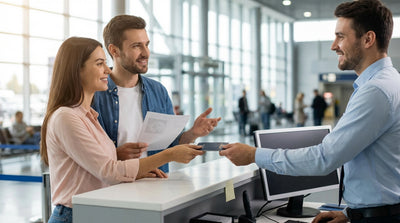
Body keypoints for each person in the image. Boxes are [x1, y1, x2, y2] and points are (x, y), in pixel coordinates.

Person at [220, 0, 400, 222]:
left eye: (341, 36)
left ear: (368, 39)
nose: (334, 45)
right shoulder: (389, 82)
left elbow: (324, 158)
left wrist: (253, 155)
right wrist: (350, 214)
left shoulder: (376, 91)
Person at [40, 37, 204, 223]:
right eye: (100, 63)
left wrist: (141, 171)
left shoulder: (89, 116)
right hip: (75, 215)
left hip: (96, 212)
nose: (107, 70)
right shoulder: (66, 117)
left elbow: (98, 169)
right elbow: (109, 171)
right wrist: (168, 155)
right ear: (77, 70)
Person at [92, 15, 220, 173]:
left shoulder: (158, 91)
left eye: (146, 45)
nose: (146, 53)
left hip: (157, 188)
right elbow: (88, 157)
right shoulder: (95, 95)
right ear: (114, 50)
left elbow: (171, 145)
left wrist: (193, 133)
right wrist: (116, 155)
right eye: (136, 46)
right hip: (114, 190)